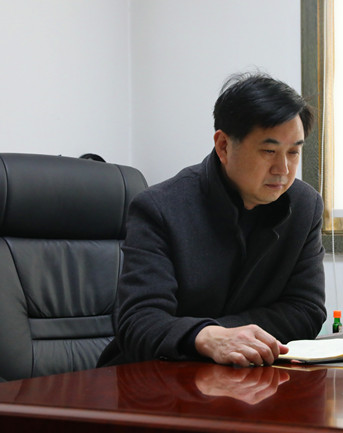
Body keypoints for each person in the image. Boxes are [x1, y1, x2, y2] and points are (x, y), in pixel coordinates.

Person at [98, 73, 326, 368]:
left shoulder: (305, 205)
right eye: (269, 151)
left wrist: (226, 336)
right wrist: (204, 337)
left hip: (245, 374)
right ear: (223, 146)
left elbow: (306, 310)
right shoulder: (159, 208)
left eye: (293, 152)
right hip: (156, 376)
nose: (282, 169)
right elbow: (138, 322)